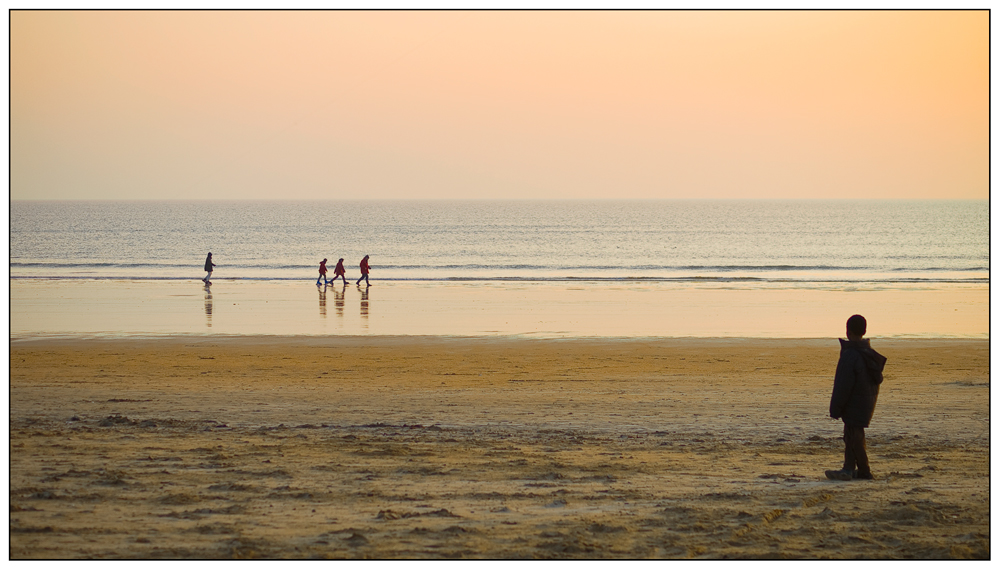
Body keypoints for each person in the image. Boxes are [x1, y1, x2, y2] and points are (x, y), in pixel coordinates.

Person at [826, 314, 887, 481]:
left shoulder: (851, 355)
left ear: (848, 332)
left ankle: (857, 470)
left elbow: (843, 385)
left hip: (854, 403)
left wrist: (836, 408)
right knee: (852, 435)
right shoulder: (869, 353)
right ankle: (853, 469)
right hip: (866, 402)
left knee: (854, 437)